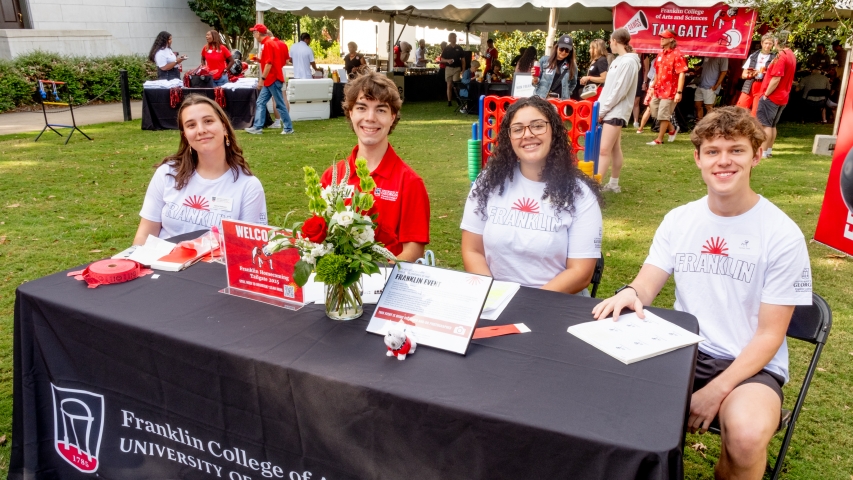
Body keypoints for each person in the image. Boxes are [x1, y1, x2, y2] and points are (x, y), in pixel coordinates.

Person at [593, 106, 812, 480]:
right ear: (697, 158)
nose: (723, 161)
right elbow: (648, 281)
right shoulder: (680, 219)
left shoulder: (782, 234)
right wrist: (631, 292)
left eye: (736, 150)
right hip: (682, 350)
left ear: (756, 155)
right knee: (603, 397)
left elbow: (769, 336)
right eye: (713, 151)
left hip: (750, 366)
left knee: (744, 436)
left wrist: (716, 391)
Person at [460, 96, 602, 293]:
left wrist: (524, 305)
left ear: (554, 132)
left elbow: (580, 272)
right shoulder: (488, 183)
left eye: (537, 126)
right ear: (508, 138)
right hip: (493, 301)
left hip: (554, 304)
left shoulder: (580, 195)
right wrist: (491, 296)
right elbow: (472, 251)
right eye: (517, 129)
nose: (527, 134)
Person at [320, 72, 430, 262]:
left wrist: (374, 277)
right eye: (362, 108)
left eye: (381, 110)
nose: (370, 118)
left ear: (392, 117)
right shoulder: (332, 177)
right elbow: (320, 239)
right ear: (351, 112)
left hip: (386, 284)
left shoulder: (410, 183)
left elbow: (413, 251)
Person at [134, 95, 267, 244]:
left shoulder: (249, 186)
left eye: (208, 121)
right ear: (185, 135)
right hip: (161, 265)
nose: (201, 130)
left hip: (216, 267)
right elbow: (144, 236)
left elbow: (249, 250)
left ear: (224, 126)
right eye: (191, 125)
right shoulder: (167, 174)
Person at [596, 29, 641, 194]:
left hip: (616, 111)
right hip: (609, 110)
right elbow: (610, 89)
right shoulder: (619, 60)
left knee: (604, 150)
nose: (609, 43)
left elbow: (619, 91)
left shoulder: (628, 62)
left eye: (610, 40)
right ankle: (613, 184)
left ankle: (596, 185)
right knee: (614, 148)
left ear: (615, 41)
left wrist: (603, 110)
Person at [244, 24, 294, 135]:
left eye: (254, 32)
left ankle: (288, 128)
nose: (253, 34)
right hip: (272, 79)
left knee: (279, 104)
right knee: (260, 102)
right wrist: (259, 60)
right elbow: (271, 61)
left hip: (273, 79)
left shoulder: (267, 44)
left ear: (258, 33)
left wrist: (262, 79)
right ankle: (257, 127)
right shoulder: (270, 43)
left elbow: (269, 64)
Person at [757, 31, 796, 158]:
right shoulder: (791, 54)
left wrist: (766, 94)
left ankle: (762, 152)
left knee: (765, 125)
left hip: (773, 96)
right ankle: (768, 151)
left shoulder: (781, 55)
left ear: (777, 41)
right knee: (772, 125)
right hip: (783, 96)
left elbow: (776, 78)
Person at [646, 29, 687, 145]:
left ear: (671, 39)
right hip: (659, 89)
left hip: (670, 91)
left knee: (663, 114)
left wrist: (679, 92)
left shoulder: (677, 55)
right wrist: (652, 86)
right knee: (654, 110)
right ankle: (672, 128)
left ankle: (659, 139)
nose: (661, 39)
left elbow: (682, 73)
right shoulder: (660, 54)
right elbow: (657, 73)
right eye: (661, 37)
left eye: (664, 37)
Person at [737, 34, 775, 117]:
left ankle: (753, 129)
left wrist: (763, 72)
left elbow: (773, 75)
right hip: (749, 83)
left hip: (762, 85)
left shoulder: (774, 58)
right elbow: (743, 75)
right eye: (766, 43)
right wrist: (752, 74)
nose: (767, 45)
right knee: (740, 109)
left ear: (773, 45)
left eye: (770, 43)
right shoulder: (753, 56)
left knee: (756, 112)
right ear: (761, 43)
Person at [533, 34, 578, 100]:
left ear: (570, 52)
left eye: (567, 50)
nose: (563, 52)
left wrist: (567, 93)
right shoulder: (544, 60)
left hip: (561, 101)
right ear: (556, 47)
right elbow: (536, 83)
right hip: (542, 98)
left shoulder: (572, 65)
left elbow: (573, 83)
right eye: (561, 49)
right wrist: (535, 79)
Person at [694, 56, 728, 121]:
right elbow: (703, 67)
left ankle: (709, 125)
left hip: (710, 87)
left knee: (709, 108)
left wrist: (716, 85)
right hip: (701, 85)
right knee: (697, 106)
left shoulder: (724, 57)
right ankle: (699, 125)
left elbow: (724, 72)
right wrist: (695, 73)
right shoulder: (708, 54)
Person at [442, 33, 466, 107]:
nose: (454, 38)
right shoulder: (446, 48)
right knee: (449, 85)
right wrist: (447, 61)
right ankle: (449, 101)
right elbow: (442, 59)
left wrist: (463, 69)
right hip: (449, 68)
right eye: (452, 37)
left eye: (455, 37)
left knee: (456, 85)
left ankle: (458, 100)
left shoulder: (459, 48)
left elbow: (463, 60)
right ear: (450, 39)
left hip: (457, 68)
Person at [632, 53, 651, 129]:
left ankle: (635, 121)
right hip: (630, 79)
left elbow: (646, 70)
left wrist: (644, 82)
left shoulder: (644, 55)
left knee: (636, 101)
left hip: (639, 80)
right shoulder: (629, 53)